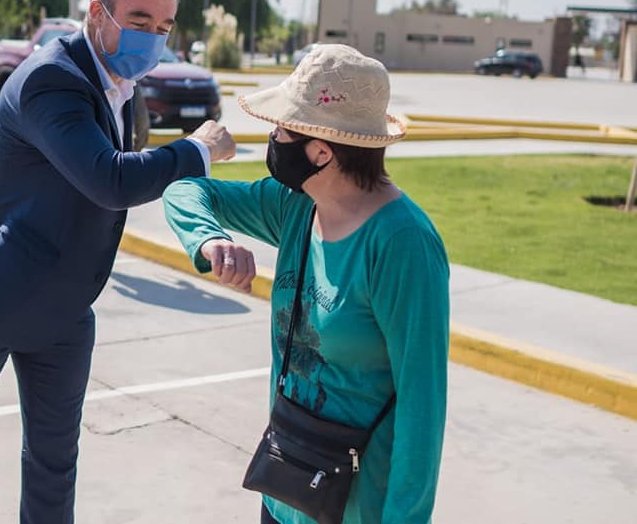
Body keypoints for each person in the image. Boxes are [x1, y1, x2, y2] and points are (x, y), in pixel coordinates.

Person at [0, 0, 236, 524]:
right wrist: (199, 149)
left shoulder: (119, 80)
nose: (152, 37)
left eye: (163, 27)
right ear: (98, 13)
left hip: (63, 303)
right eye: (139, 21)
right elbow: (110, 179)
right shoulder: (51, 79)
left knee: (55, 461)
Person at [163, 44, 449, 524]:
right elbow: (185, 190)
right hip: (284, 490)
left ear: (321, 150)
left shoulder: (403, 244)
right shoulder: (295, 205)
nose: (272, 138)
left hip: (357, 509)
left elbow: (423, 405)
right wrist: (211, 242)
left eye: (281, 129)